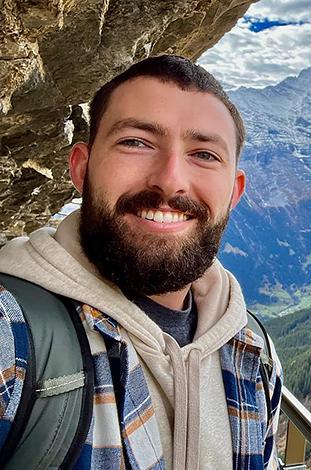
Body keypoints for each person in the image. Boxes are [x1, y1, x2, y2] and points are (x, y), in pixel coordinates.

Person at [0, 55, 282, 469]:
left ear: (234, 192)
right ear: (82, 168)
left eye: (204, 154)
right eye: (136, 142)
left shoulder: (252, 351)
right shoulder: (13, 332)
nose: (170, 179)